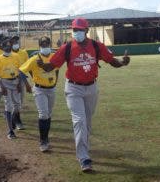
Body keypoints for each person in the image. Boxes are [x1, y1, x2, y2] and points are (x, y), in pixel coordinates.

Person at [37, 18, 130, 172]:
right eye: (74, 30)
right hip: (73, 89)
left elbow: (111, 61)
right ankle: (84, 157)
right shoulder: (67, 47)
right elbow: (51, 66)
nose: (77, 33)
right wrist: (43, 65)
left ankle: (84, 149)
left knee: (86, 123)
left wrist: (122, 62)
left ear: (86, 31)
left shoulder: (96, 46)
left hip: (91, 88)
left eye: (80, 30)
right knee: (79, 121)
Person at [19, 36, 59, 152]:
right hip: (40, 89)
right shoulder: (35, 59)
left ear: (50, 44)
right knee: (43, 114)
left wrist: (55, 81)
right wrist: (27, 84)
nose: (45, 46)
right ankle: (43, 141)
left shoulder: (54, 57)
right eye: (43, 44)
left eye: (47, 44)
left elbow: (56, 69)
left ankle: (46, 138)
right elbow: (21, 71)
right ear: (39, 46)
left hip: (51, 89)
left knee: (49, 114)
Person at [0, 38, 21, 139]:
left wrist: (19, 83)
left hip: (15, 82)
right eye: (6, 45)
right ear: (2, 47)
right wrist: (1, 86)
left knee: (17, 106)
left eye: (9, 45)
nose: (8, 47)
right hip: (4, 82)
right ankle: (10, 131)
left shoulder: (16, 56)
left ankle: (12, 120)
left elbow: (20, 70)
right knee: (8, 106)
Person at [10, 36, 29, 130]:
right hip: (11, 80)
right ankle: (17, 121)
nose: (15, 44)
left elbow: (27, 66)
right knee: (15, 102)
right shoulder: (8, 54)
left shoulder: (23, 52)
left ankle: (14, 119)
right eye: (13, 42)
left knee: (20, 101)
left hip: (21, 79)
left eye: (16, 41)